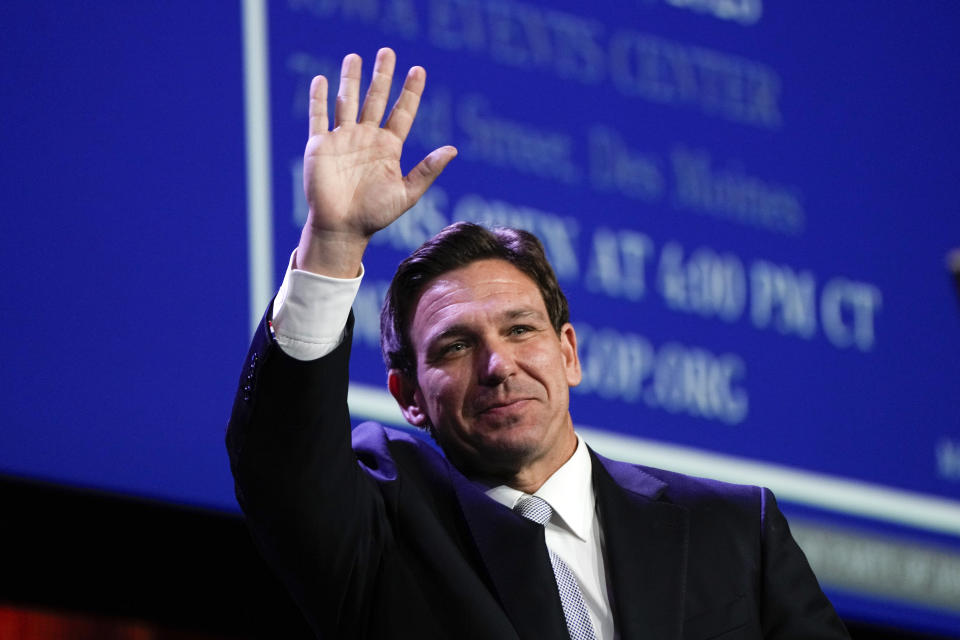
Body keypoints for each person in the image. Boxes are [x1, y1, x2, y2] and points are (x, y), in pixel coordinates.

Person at [227, 48, 849, 640]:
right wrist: (333, 243)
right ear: (408, 396)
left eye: (521, 329)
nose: (499, 365)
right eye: (454, 347)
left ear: (569, 353)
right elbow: (284, 460)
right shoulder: (383, 525)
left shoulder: (736, 531)